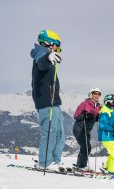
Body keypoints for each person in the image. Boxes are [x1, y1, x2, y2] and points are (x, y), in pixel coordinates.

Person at [30, 29, 65, 171]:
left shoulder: (47, 55)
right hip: (46, 102)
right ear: (49, 43)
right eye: (56, 44)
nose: (57, 47)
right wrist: (47, 57)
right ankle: (44, 162)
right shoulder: (40, 53)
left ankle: (55, 160)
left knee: (60, 134)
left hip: (54, 102)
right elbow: (40, 62)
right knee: (49, 132)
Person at [72, 88, 102, 171]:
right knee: (85, 147)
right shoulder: (84, 104)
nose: (97, 95)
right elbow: (76, 116)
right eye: (95, 93)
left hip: (87, 130)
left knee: (87, 148)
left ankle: (80, 165)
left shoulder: (98, 106)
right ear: (90, 94)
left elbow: (95, 118)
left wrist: (98, 117)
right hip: (79, 129)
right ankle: (81, 166)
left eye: (98, 94)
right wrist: (85, 115)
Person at [98, 94, 114, 175]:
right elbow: (102, 126)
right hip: (106, 136)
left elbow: (113, 124)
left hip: (109, 136)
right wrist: (113, 129)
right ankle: (112, 171)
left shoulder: (110, 111)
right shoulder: (105, 112)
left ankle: (109, 167)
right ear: (108, 103)